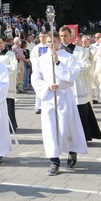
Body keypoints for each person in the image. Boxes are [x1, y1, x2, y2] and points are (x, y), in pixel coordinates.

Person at [31, 34, 88, 175]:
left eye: (54, 41)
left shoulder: (68, 57)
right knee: (51, 129)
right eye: (49, 42)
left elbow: (72, 76)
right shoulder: (41, 59)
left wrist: (58, 63)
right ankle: (54, 161)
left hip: (64, 96)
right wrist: (47, 86)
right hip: (49, 98)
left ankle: (72, 150)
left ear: (59, 42)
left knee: (66, 127)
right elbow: (35, 78)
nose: (51, 44)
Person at [0, 36, 19, 131]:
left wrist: (2, 69)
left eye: (0, 43)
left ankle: (11, 125)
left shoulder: (10, 54)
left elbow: (13, 67)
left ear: (4, 43)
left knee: (9, 104)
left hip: (7, 82)